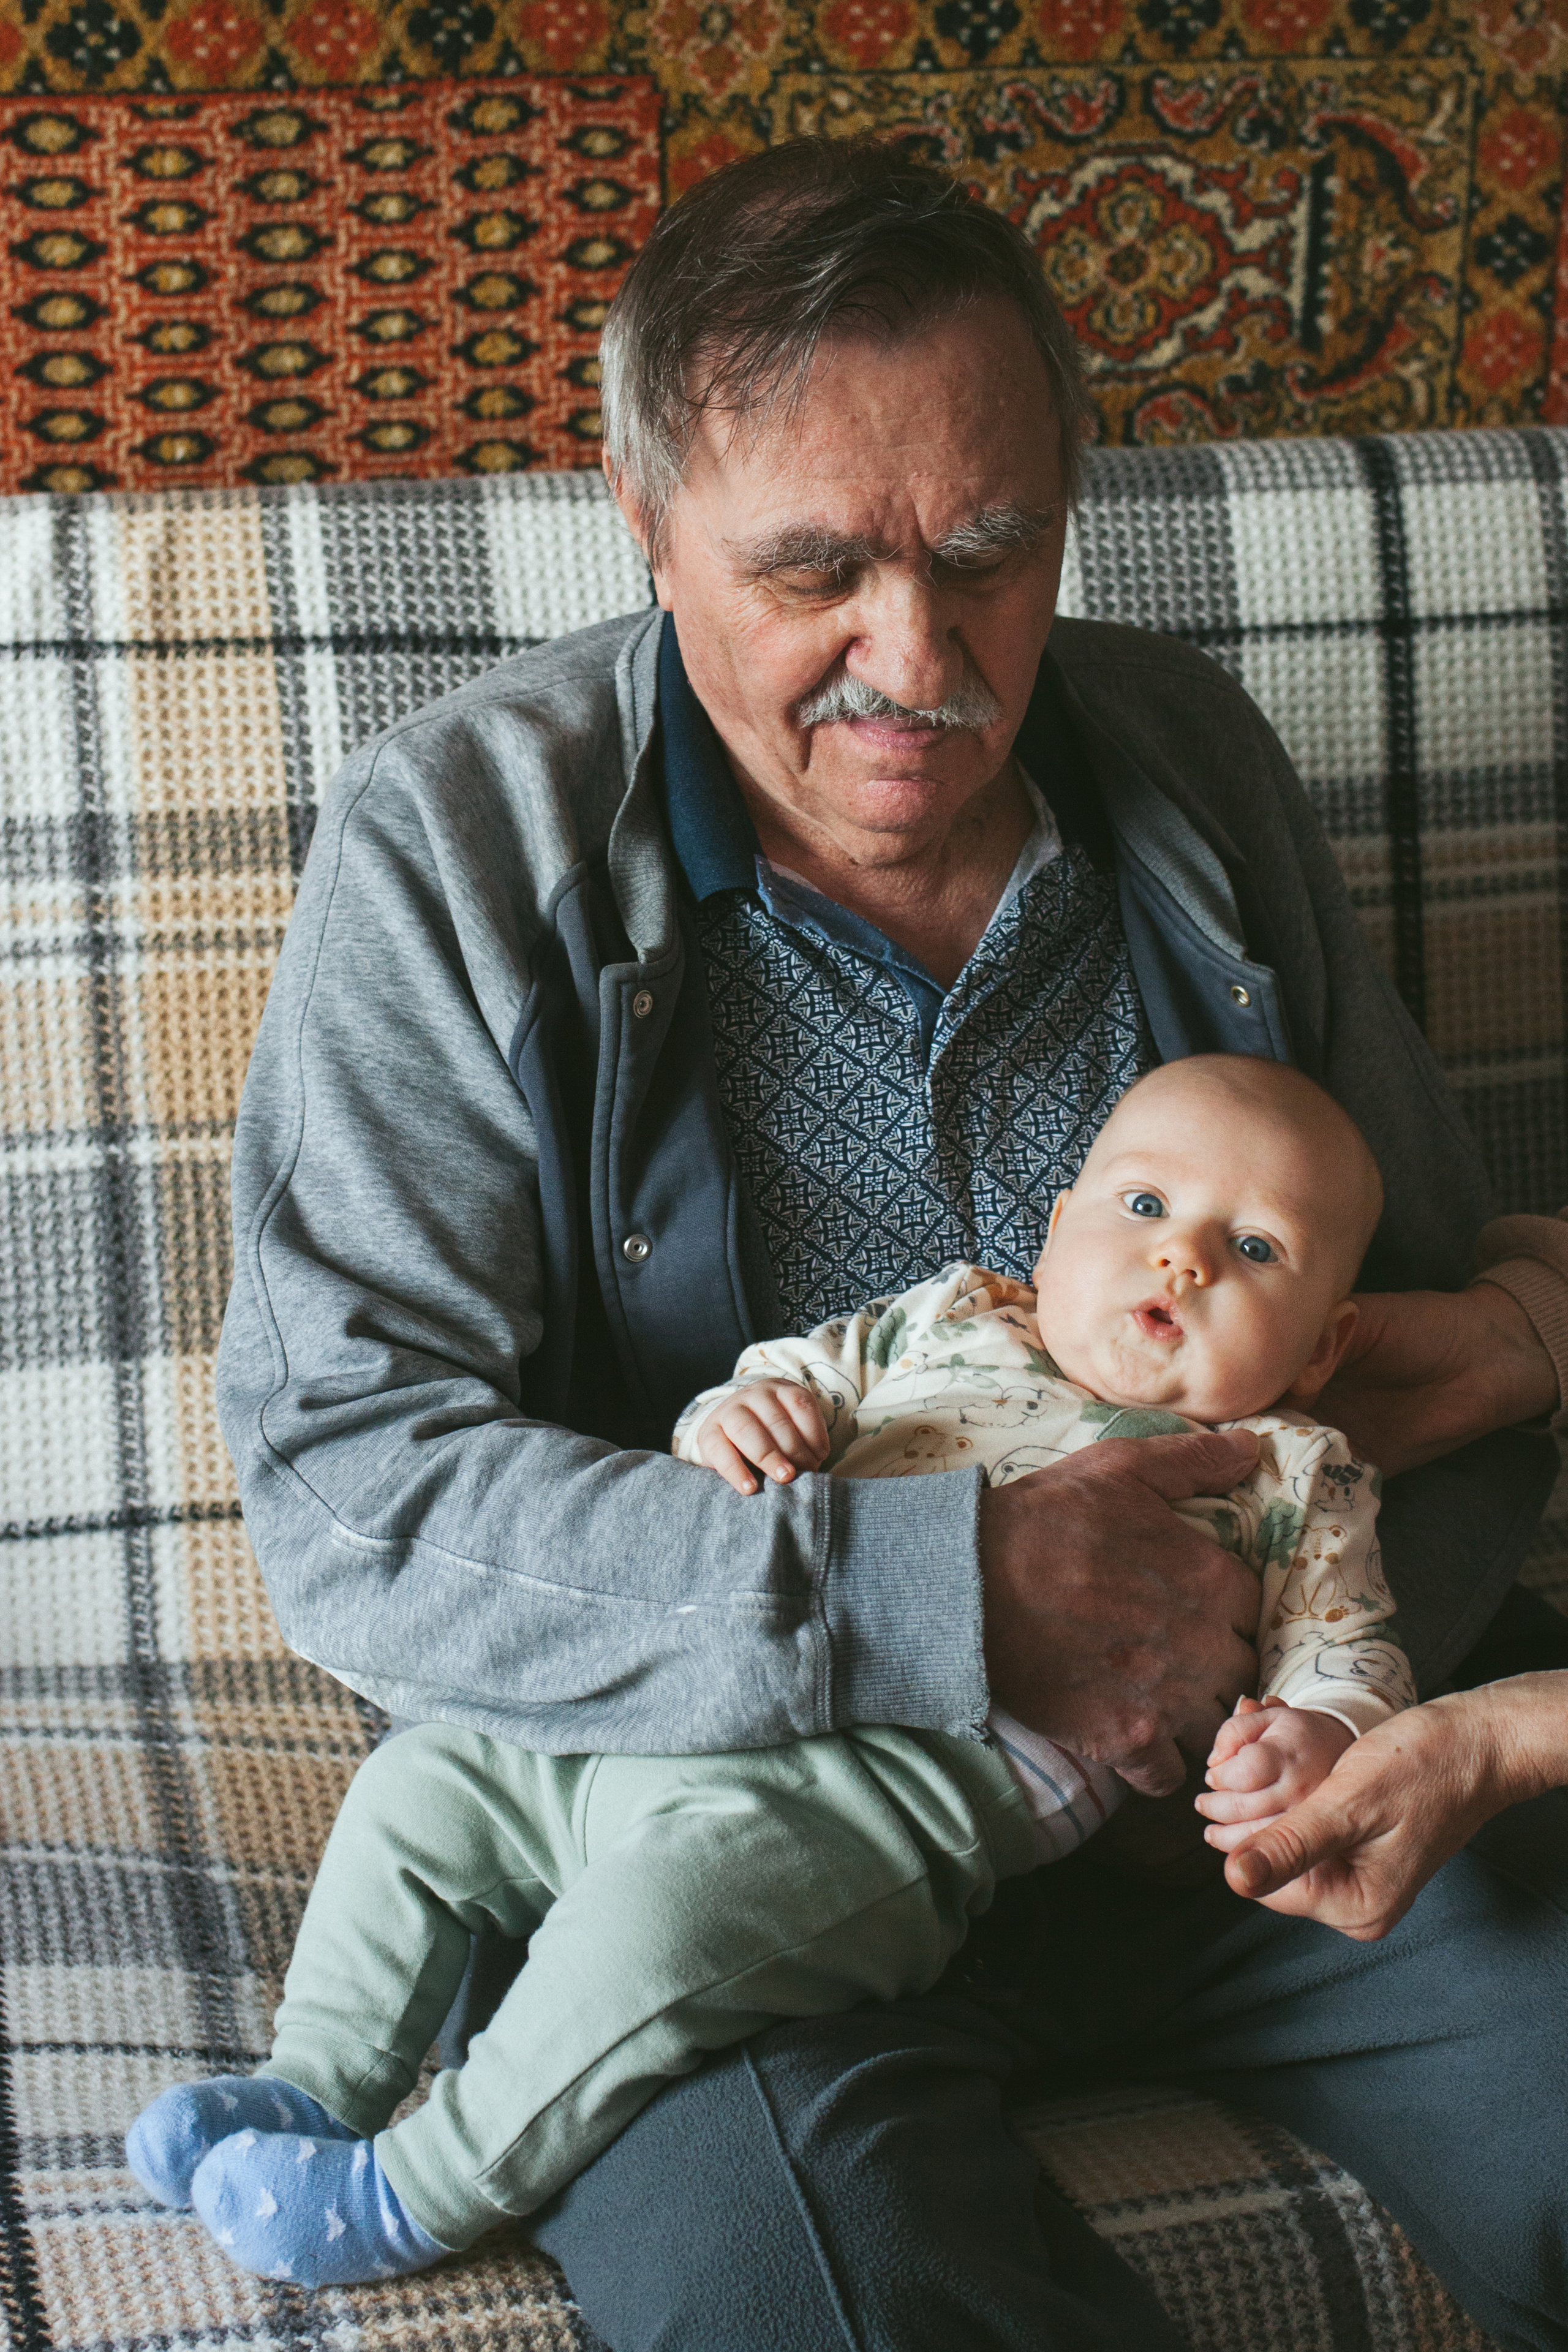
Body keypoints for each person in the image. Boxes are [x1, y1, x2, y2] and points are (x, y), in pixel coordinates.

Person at [211, 134, 1568, 2350]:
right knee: (807, 2300)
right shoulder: (455, 845)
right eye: (815, 568)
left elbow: (1414, 1337)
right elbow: (351, 1486)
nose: (917, 659)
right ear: (646, 521)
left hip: (1243, 1827)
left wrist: (1309, 1713)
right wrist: (933, 1600)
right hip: (725, 1827)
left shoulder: (1188, 769)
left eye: (990, 551)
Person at [127, 1055, 1414, 2286]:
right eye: (1141, 1207)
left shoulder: (1290, 1471)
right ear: (1057, 1224)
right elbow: (775, 1383)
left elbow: (1347, 1649)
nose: (1183, 1257)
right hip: (689, 1698)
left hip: (860, 1823)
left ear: (1320, 1347)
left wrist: (1315, 1740)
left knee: (656, 1938)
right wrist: (736, 1420)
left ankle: (412, 2191)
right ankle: (314, 2085)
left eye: (1256, 1249)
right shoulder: (951, 1316)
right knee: (428, 1784)